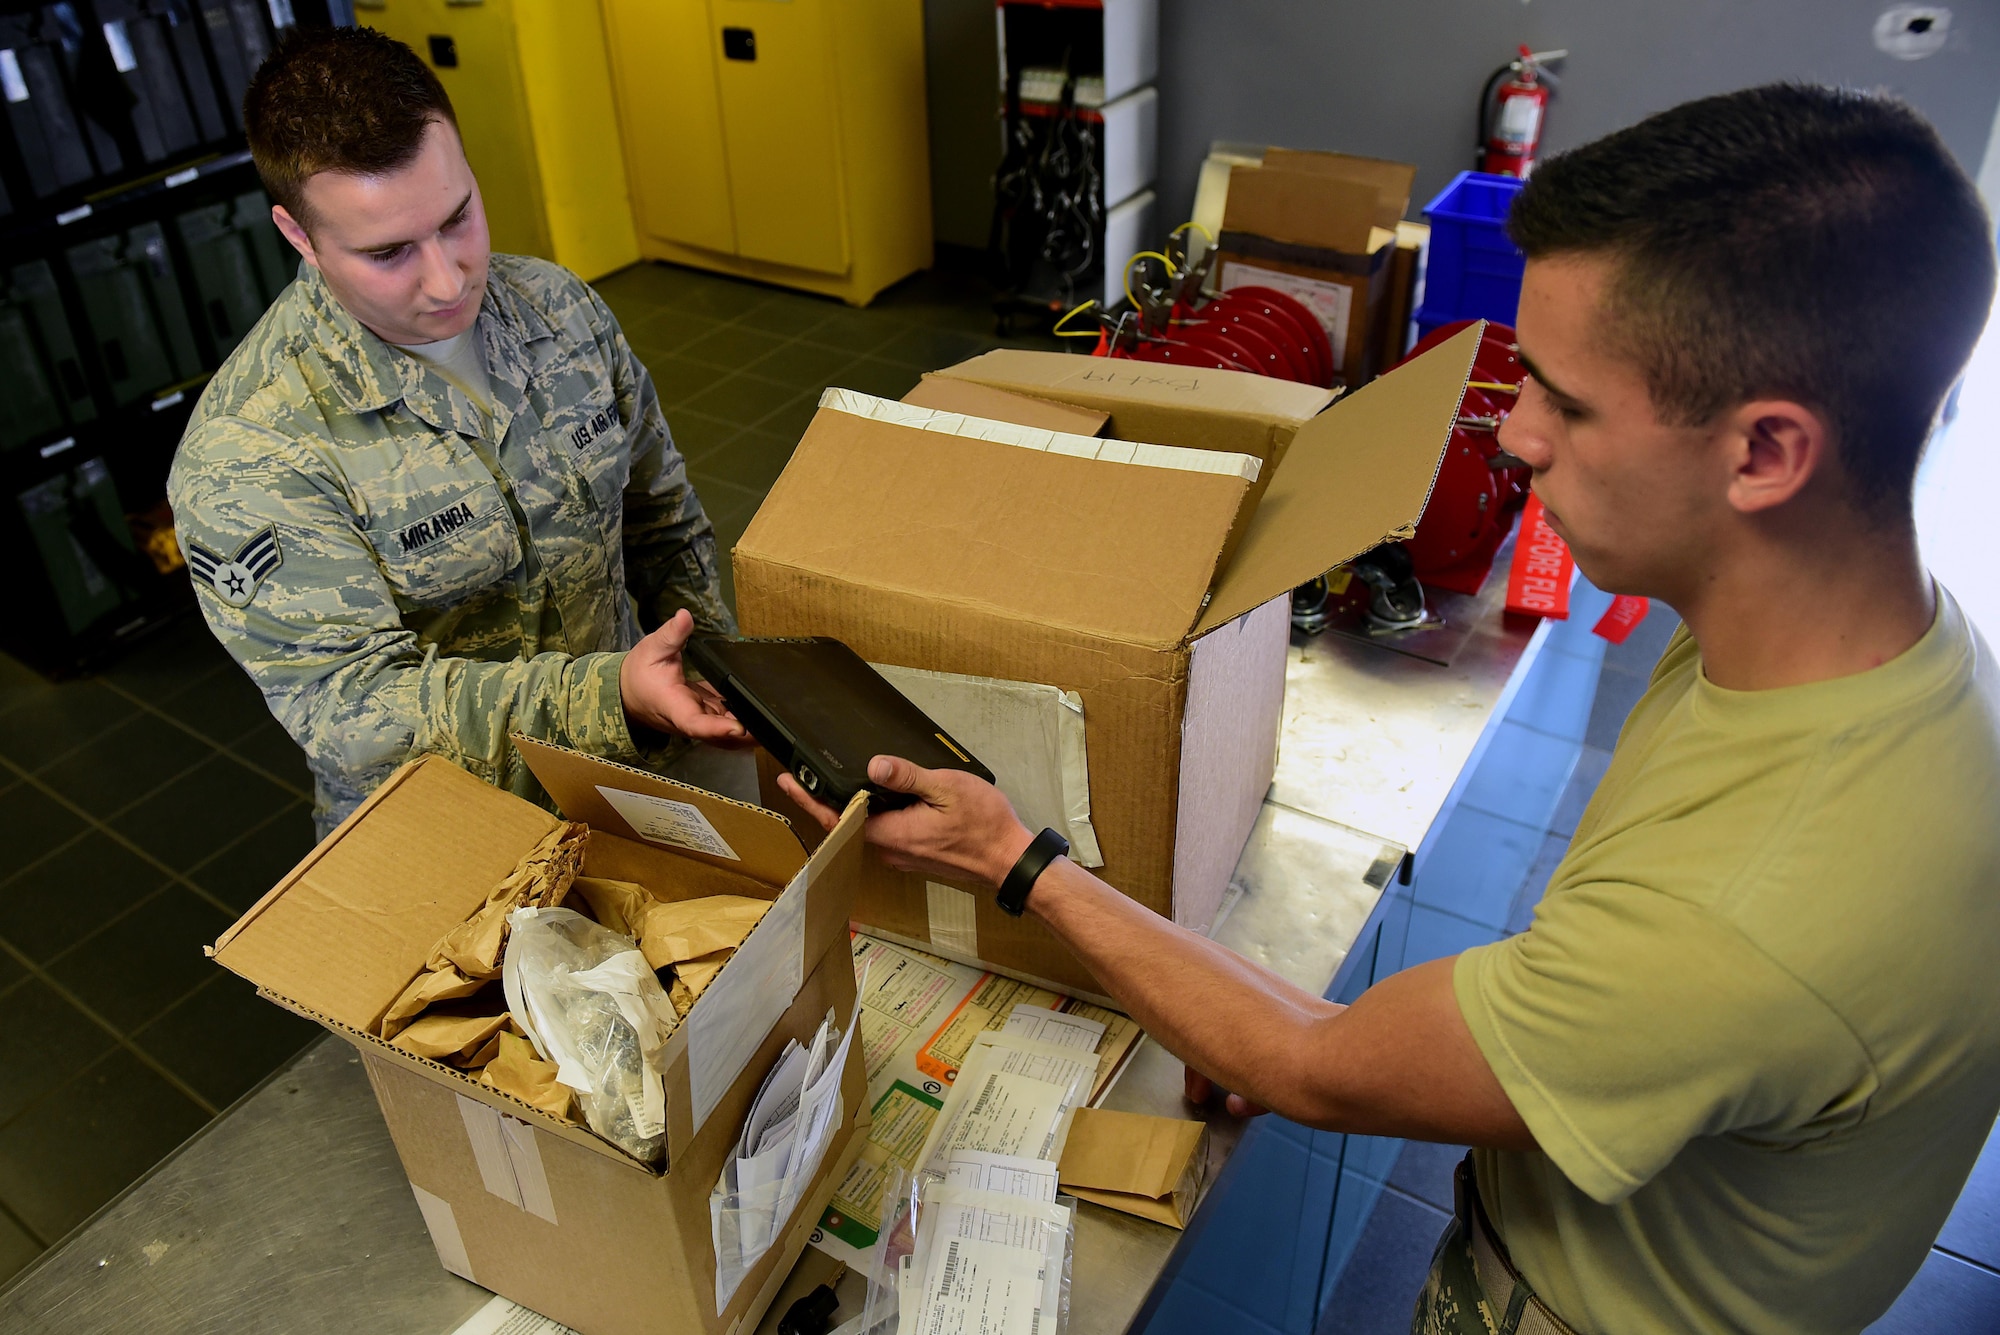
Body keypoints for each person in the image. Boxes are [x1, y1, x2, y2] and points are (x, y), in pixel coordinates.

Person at [780, 84, 2000, 1334]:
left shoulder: (1755, 910)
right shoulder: (1862, 654)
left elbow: (1317, 1068)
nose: (1514, 434)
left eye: (1565, 403)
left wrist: (1011, 855)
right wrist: (1276, 1021)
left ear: (1763, 453)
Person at [170, 26, 745, 839]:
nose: (447, 279)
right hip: (450, 831)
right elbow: (358, 716)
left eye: (457, 217)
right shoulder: (250, 450)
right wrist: (605, 696)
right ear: (299, 236)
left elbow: (662, 520)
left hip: (641, 771)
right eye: (389, 251)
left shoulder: (558, 308)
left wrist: (725, 677)